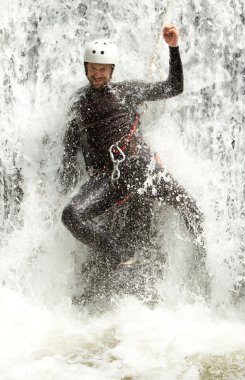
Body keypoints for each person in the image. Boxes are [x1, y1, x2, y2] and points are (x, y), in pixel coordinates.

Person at [60, 25, 204, 270]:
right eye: (93, 68)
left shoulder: (127, 91)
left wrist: (173, 48)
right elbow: (69, 150)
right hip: (108, 178)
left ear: (111, 70)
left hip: (139, 167)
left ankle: (205, 261)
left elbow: (174, 87)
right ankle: (120, 255)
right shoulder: (78, 103)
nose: (97, 74)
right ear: (86, 68)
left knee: (192, 209)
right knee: (71, 215)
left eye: (103, 69)